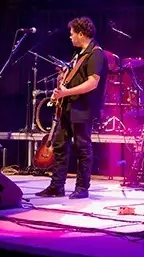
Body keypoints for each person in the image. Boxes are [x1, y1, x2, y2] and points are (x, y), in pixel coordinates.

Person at [36, 17, 108, 199]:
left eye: (72, 33)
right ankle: (57, 186)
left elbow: (92, 83)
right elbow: (72, 81)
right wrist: (60, 90)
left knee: (83, 147)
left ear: (81, 34)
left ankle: (82, 188)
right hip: (68, 107)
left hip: (83, 108)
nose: (70, 37)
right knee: (60, 146)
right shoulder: (80, 55)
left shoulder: (96, 54)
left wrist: (66, 93)